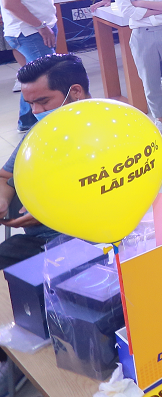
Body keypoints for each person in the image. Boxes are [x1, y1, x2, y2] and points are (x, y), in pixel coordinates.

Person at [0, 55, 91, 271]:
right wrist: (3, 199)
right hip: (40, 243)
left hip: (92, 241)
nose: (35, 111)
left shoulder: (111, 134)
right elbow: (5, 177)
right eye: (30, 104)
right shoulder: (40, 132)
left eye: (43, 101)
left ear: (75, 92)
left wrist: (50, 212)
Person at [1, 0, 63, 129]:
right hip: (29, 32)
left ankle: (27, 120)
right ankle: (43, 122)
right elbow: (11, 3)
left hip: (41, 27)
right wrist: (41, 26)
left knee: (35, 76)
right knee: (43, 77)